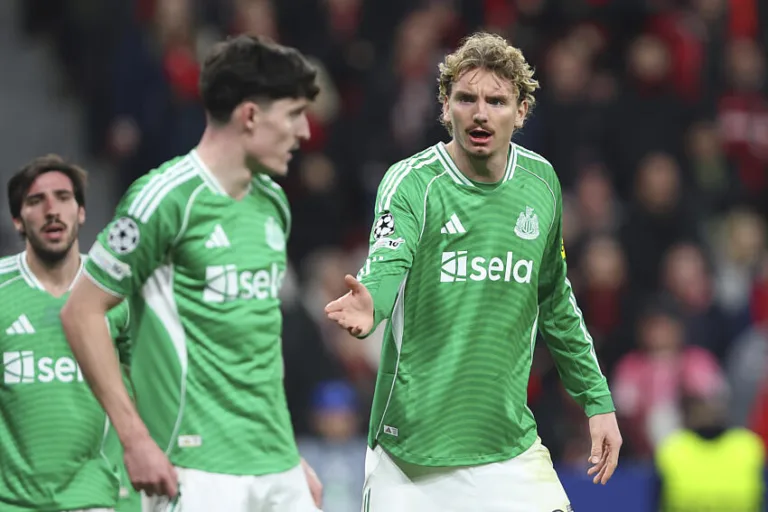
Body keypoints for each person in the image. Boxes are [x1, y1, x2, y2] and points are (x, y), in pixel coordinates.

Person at [325, 32, 623, 511]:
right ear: (445, 107)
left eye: (496, 101)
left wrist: (597, 399)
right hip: (412, 458)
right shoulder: (414, 183)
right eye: (466, 98)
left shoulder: (541, 183)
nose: (480, 113)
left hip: (508, 449)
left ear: (521, 111)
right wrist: (372, 303)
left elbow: (555, 301)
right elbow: (387, 260)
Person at [60, 35, 323, 512]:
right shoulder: (164, 199)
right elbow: (81, 312)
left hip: (276, 464)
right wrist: (134, 438)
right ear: (249, 115)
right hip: (196, 467)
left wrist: (287, 453)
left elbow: (257, 345)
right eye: (293, 114)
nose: (304, 131)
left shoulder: (273, 204)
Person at [0, 154, 137, 511]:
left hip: (92, 498)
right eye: (36, 201)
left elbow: (148, 385)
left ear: (81, 212)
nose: (52, 210)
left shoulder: (117, 291)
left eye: (63, 197)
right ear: (17, 220)